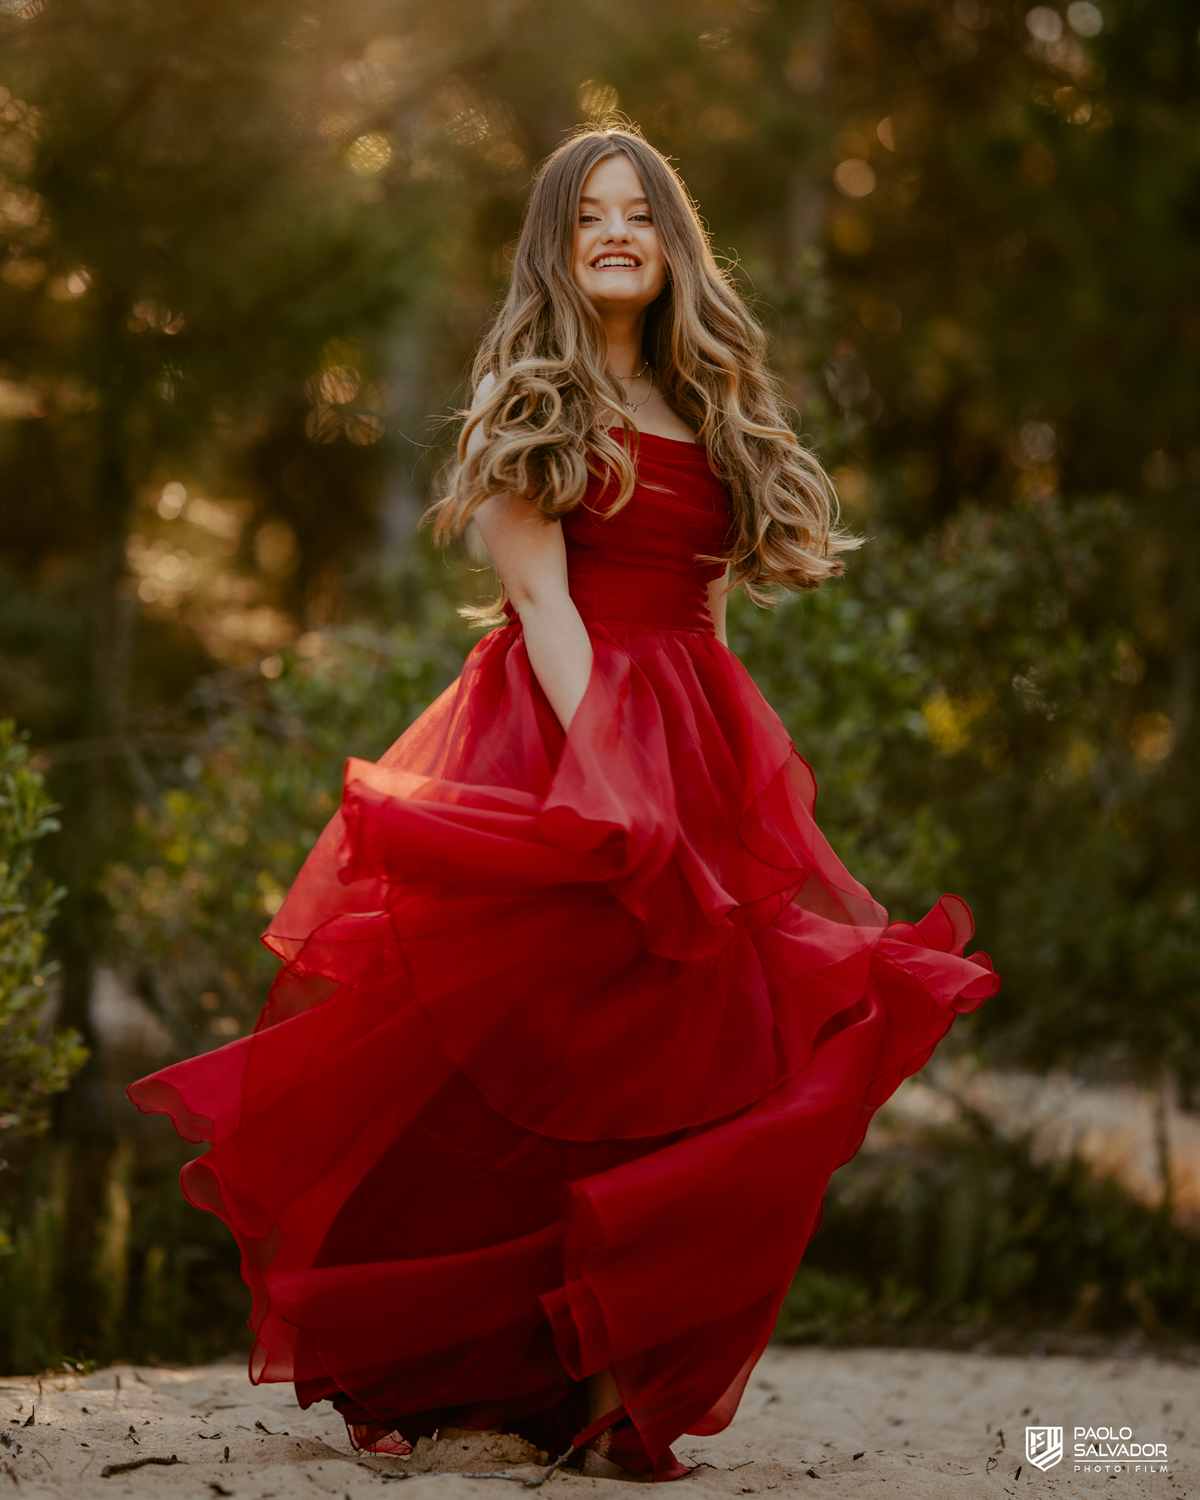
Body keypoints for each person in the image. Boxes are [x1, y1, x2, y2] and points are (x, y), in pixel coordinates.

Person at [129, 127, 999, 1482]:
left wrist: (719, 781)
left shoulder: (710, 405)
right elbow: (540, 601)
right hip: (561, 731)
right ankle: (498, 1368)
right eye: (587, 212)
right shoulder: (530, 397)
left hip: (693, 730)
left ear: (669, 245)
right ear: (554, 241)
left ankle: (615, 1392)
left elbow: (708, 611)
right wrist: (611, 777)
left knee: (703, 1052)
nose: (614, 232)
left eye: (637, 214)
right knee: (542, 1059)